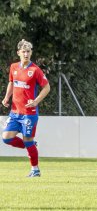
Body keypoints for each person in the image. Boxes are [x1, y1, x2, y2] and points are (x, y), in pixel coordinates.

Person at [1, 39, 50, 177]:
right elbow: (12, 83)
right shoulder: (14, 67)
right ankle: (31, 146)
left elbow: (47, 87)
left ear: (31, 53)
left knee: (27, 141)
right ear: (19, 53)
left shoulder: (35, 70)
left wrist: (36, 101)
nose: (26, 54)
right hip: (15, 112)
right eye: (24, 52)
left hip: (29, 113)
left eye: (28, 51)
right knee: (6, 138)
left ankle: (35, 169)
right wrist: (6, 97)